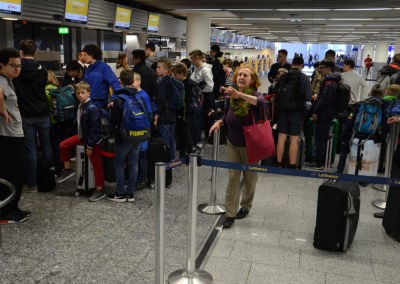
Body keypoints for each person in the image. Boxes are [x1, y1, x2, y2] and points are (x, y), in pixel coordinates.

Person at [209, 65, 266, 229]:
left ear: (252, 80)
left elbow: (261, 103)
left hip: (252, 145)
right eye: (239, 74)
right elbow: (227, 116)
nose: (241, 77)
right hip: (233, 143)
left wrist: (238, 94)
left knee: (250, 179)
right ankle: (230, 213)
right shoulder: (231, 97)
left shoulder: (256, 95)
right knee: (233, 178)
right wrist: (219, 122)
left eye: (245, 75)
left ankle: (246, 206)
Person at [107, 70, 152, 202]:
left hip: (124, 136)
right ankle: (130, 193)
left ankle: (120, 193)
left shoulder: (119, 99)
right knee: (134, 163)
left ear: (120, 81)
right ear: (132, 81)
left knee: (119, 163)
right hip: (139, 134)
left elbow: (113, 121)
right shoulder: (139, 95)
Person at [14, 39, 53, 193]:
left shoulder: (18, 71)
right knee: (46, 146)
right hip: (43, 112)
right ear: (35, 52)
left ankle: (32, 183)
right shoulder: (42, 69)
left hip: (25, 114)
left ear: (21, 52)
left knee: (30, 150)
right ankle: (48, 177)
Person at [57, 81, 105, 202]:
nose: (80, 95)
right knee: (63, 145)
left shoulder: (92, 109)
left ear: (89, 93)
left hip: (92, 141)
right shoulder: (81, 105)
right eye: (78, 93)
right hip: (83, 136)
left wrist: (90, 146)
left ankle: (100, 189)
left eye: (83, 93)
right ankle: (67, 170)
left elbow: (95, 129)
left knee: (96, 164)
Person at [0, 47, 31, 223]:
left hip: (14, 134)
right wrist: (2, 110)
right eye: (13, 66)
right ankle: (7, 212)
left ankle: (12, 208)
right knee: (14, 173)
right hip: (8, 136)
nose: (17, 69)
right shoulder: (1, 80)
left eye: (19, 65)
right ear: (2, 65)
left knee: (17, 173)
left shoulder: (8, 79)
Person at [336, 87, 388, 174]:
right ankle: (364, 174)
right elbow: (386, 125)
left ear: (370, 93)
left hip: (356, 134)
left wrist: (345, 137)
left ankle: (339, 170)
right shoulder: (382, 107)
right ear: (382, 95)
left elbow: (351, 121)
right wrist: (380, 138)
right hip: (372, 137)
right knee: (367, 154)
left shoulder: (361, 104)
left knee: (344, 147)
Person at [275, 56, 312, 168]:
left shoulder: (283, 76)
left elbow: (276, 93)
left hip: (282, 111)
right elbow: (308, 99)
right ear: (302, 65)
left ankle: (279, 162)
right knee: (294, 139)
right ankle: (292, 165)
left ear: (292, 64)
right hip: (297, 112)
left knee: (281, 137)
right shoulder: (305, 78)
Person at [306, 60, 340, 170]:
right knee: (322, 138)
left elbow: (324, 100)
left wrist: (316, 111)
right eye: (319, 68)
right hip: (328, 113)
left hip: (323, 114)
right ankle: (322, 161)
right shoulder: (333, 80)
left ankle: (319, 162)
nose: (319, 70)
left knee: (320, 138)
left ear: (329, 68)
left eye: (322, 67)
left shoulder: (330, 82)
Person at [155, 59, 180, 160]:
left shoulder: (163, 82)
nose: (156, 69)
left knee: (165, 140)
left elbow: (161, 100)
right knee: (172, 138)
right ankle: (172, 159)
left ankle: (166, 162)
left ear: (166, 70)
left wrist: (156, 116)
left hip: (165, 115)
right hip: (172, 114)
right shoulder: (174, 80)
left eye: (159, 67)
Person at [82, 44, 120, 109]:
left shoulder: (104, 68)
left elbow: (115, 83)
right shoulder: (88, 69)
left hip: (100, 103)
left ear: (92, 55)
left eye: (85, 55)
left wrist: (114, 99)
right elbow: (84, 85)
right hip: (87, 102)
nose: (84, 57)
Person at [189, 49, 214, 146]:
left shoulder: (205, 70)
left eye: (192, 58)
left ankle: (197, 142)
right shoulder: (195, 69)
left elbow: (210, 87)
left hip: (201, 100)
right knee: (194, 121)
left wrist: (199, 89)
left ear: (198, 58)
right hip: (195, 100)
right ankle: (194, 140)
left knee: (197, 121)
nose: (191, 60)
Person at [171, 63, 194, 158]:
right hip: (187, 112)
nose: (174, 77)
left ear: (180, 74)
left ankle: (190, 155)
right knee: (183, 134)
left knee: (185, 135)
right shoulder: (190, 83)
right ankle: (183, 155)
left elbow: (184, 101)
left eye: (175, 75)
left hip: (184, 113)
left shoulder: (185, 85)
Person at [210, 44, 226, 109]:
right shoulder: (222, 59)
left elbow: (215, 75)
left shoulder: (217, 61)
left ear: (215, 52)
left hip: (217, 84)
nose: (210, 53)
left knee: (216, 98)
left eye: (211, 52)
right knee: (220, 99)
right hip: (221, 83)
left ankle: (217, 112)